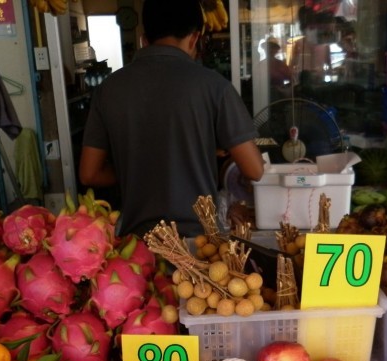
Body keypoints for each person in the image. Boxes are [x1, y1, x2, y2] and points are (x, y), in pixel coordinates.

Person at [78, 0, 264, 237]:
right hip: (200, 243)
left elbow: (89, 173)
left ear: (144, 38)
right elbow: (254, 170)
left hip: (136, 247)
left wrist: (138, 168)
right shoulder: (215, 87)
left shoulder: (109, 89)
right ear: (195, 38)